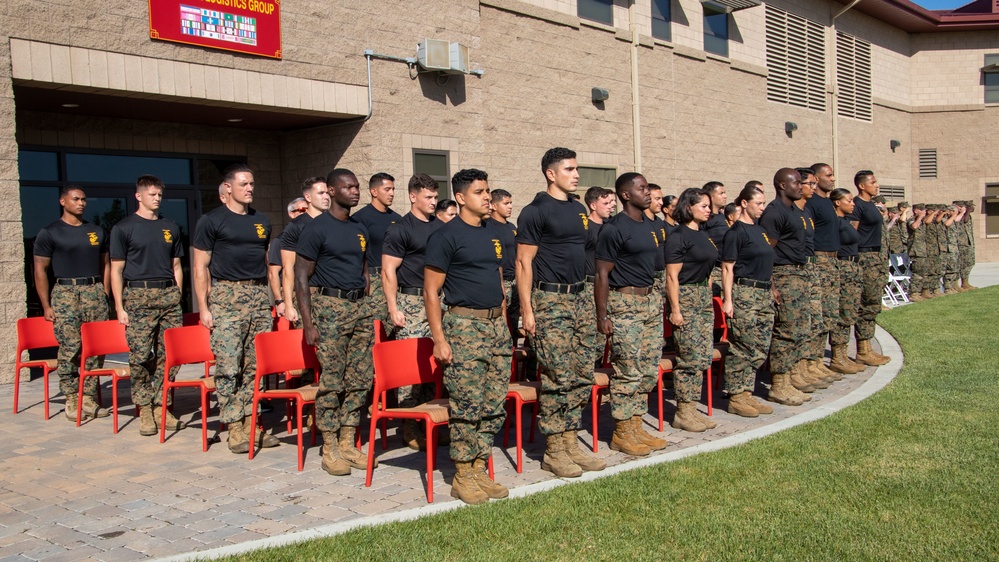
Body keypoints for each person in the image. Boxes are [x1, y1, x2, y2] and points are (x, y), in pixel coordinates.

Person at [425, 168, 512, 504]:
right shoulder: (446, 236)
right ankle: (462, 473)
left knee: (493, 403)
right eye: (479, 192)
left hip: (494, 327)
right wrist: (439, 338)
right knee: (467, 404)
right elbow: (431, 292)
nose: (487, 197)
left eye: (488, 190)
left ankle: (479, 466)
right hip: (464, 326)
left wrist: (503, 323)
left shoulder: (492, 231)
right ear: (461, 198)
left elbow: (497, 280)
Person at [517, 148, 605, 477]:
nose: (577, 174)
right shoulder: (535, 211)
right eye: (569, 169)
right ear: (551, 174)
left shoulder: (579, 209)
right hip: (550, 300)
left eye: (577, 168)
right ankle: (554, 450)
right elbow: (523, 262)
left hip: (579, 297)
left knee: (582, 374)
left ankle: (570, 442)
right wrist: (527, 311)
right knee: (557, 376)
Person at [192, 163, 279, 454]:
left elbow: (267, 263)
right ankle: (235, 426)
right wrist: (204, 306)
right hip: (227, 295)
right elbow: (200, 267)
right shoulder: (211, 220)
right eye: (244, 184)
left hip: (256, 295)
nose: (250, 188)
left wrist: (273, 298)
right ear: (228, 188)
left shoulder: (262, 221)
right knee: (230, 365)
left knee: (255, 366)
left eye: (252, 184)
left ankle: (253, 422)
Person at [295, 168, 375, 476]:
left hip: (359, 309)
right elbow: (302, 276)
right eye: (348, 187)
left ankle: (347, 440)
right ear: (331, 191)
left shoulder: (359, 227)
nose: (355, 191)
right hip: (330, 308)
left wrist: (367, 301)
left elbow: (365, 269)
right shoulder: (317, 228)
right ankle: (329, 445)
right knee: (333, 380)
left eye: (357, 187)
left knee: (360, 378)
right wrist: (308, 322)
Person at [109, 175, 185, 436]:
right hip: (139, 298)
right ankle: (144, 408)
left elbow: (176, 265)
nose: (157, 198)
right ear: (138, 196)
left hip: (168, 297)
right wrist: (119, 306)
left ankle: (163, 405)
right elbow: (116, 270)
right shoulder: (123, 228)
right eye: (151, 194)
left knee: (171, 356)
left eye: (159, 195)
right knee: (141, 356)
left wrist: (177, 294)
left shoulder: (170, 226)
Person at [32, 185, 111, 421]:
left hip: (94, 293)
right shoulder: (50, 232)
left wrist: (104, 292)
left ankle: (88, 397)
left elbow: (105, 264)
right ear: (63, 202)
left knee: (95, 349)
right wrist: (46, 305)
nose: (81, 203)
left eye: (84, 199)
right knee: (70, 347)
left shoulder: (96, 231)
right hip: (66, 293)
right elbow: (40, 269)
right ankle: (71, 397)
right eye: (76, 199)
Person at [381, 173, 441, 450]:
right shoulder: (400, 228)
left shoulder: (440, 228)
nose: (433, 202)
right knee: (411, 366)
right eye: (428, 197)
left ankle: (431, 421)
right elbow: (388, 270)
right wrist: (393, 307)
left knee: (435, 363)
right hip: (411, 301)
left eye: (435, 196)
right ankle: (409, 425)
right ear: (413, 196)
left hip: (438, 301)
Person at [662, 187, 722, 430]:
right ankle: (683, 412)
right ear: (689, 208)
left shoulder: (704, 235)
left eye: (709, 206)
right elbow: (671, 277)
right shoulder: (678, 236)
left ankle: (692, 406)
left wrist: (706, 294)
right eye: (704, 206)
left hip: (702, 297)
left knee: (702, 356)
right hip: (685, 296)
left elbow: (708, 269)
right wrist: (675, 309)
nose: (709, 210)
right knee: (689, 357)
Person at [720, 184, 775, 417]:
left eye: (763, 203)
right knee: (743, 346)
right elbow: (727, 268)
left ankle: (747, 392)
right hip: (745, 293)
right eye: (758, 203)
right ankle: (736, 396)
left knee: (760, 346)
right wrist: (728, 300)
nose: (762, 208)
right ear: (744, 203)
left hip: (763, 294)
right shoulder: (736, 232)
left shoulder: (759, 230)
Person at [759, 168, 811, 405]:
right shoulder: (774, 212)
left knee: (799, 328)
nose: (800, 186)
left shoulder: (794, 210)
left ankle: (789, 379)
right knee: (786, 330)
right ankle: (778, 384)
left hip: (798, 274)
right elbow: (767, 249)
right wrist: (771, 284)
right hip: (783, 275)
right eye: (796, 183)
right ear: (782, 185)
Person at [791, 168, 833, 391]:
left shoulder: (806, 212)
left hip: (811, 268)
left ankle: (812, 364)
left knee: (815, 320)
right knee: (799, 324)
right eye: (809, 183)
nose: (813, 188)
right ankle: (798, 369)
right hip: (796, 271)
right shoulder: (787, 212)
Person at [847, 171, 890, 366]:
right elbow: (852, 233)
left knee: (873, 304)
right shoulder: (857, 206)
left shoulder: (870, 205)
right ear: (862, 186)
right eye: (873, 182)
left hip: (876, 258)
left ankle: (868, 347)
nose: (877, 185)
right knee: (866, 305)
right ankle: (863, 349)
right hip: (865, 258)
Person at [807, 162, 845, 378]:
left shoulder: (827, 202)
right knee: (818, 314)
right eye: (828, 175)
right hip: (819, 260)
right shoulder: (812, 203)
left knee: (829, 314)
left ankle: (819, 360)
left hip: (832, 261)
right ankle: (811, 363)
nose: (833, 179)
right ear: (816, 177)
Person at [278, 179, 330, 323]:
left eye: (327, 192)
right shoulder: (296, 227)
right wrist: (288, 304)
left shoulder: (334, 223)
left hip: (332, 296)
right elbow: (288, 268)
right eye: (320, 193)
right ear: (308, 197)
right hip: (307, 293)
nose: (326, 197)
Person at [353, 173, 401, 325]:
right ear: (374, 192)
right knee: (376, 326)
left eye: (393, 189)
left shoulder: (398, 219)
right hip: (373, 280)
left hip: (395, 278)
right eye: (387, 189)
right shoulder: (360, 219)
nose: (391, 193)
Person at [828, 188, 866, 374]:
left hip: (853, 268)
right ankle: (837, 356)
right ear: (837, 202)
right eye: (849, 200)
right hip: (843, 268)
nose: (853, 204)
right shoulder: (834, 222)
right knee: (842, 312)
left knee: (850, 312)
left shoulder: (845, 221)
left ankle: (843, 354)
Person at [267, 197, 308, 320]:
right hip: (293, 295)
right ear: (291, 214)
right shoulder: (280, 241)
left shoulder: (311, 238)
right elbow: (273, 273)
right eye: (302, 210)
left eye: (308, 209)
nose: (306, 213)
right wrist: (280, 301)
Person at [486, 188, 519, 331]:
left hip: (515, 280)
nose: (510, 206)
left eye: (511, 203)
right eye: (506, 203)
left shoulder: (512, 227)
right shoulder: (488, 227)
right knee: (501, 322)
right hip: (500, 281)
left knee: (515, 320)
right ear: (493, 205)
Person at [700, 181, 728, 296]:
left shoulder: (722, 217)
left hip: (726, 269)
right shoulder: (706, 219)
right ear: (711, 196)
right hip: (714, 270)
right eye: (721, 193)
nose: (725, 196)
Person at [647, 184, 669, 297]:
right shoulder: (641, 223)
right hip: (647, 279)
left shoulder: (660, 223)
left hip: (662, 277)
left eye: (661, 199)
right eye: (657, 199)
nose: (661, 202)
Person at [905, 204, 930, 302]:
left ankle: (922, 292)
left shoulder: (923, 221)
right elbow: (914, 226)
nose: (924, 211)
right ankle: (914, 293)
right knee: (918, 273)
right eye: (922, 210)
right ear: (916, 211)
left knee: (924, 272)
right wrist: (920, 216)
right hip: (916, 250)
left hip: (923, 250)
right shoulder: (912, 219)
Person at [956, 200, 977, 290]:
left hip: (968, 243)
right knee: (959, 264)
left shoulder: (967, 216)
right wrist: (966, 211)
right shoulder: (958, 216)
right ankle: (956, 284)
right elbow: (964, 221)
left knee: (969, 263)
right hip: (961, 244)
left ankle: (965, 283)